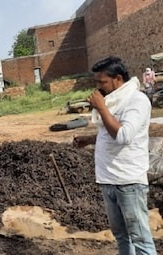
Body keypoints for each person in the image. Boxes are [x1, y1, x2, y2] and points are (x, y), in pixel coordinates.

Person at [74, 56, 156, 255]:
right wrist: (91, 139)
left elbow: (123, 135)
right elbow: (109, 131)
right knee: (121, 236)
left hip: (128, 182)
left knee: (140, 240)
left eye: (102, 82)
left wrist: (101, 108)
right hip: (109, 180)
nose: (99, 87)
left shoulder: (137, 100)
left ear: (118, 79)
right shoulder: (115, 100)